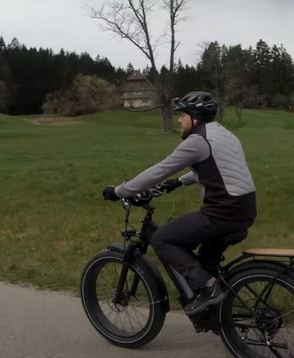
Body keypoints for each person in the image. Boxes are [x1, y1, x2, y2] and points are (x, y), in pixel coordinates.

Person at [102, 91, 257, 315]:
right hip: (244, 211)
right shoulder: (224, 135)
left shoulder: (197, 141)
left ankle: (209, 290)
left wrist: (119, 191)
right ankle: (216, 312)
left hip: (222, 213)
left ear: (195, 117)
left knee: (162, 238)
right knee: (205, 261)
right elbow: (214, 168)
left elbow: (159, 170)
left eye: (183, 115)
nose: (179, 120)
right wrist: (178, 182)